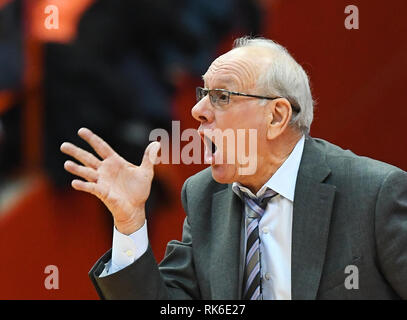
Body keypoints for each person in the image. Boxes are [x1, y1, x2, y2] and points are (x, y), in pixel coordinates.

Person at [60, 37, 407, 300]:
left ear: (276, 117)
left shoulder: (375, 193)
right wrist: (130, 221)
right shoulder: (203, 195)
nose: (197, 110)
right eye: (202, 93)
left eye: (221, 96)